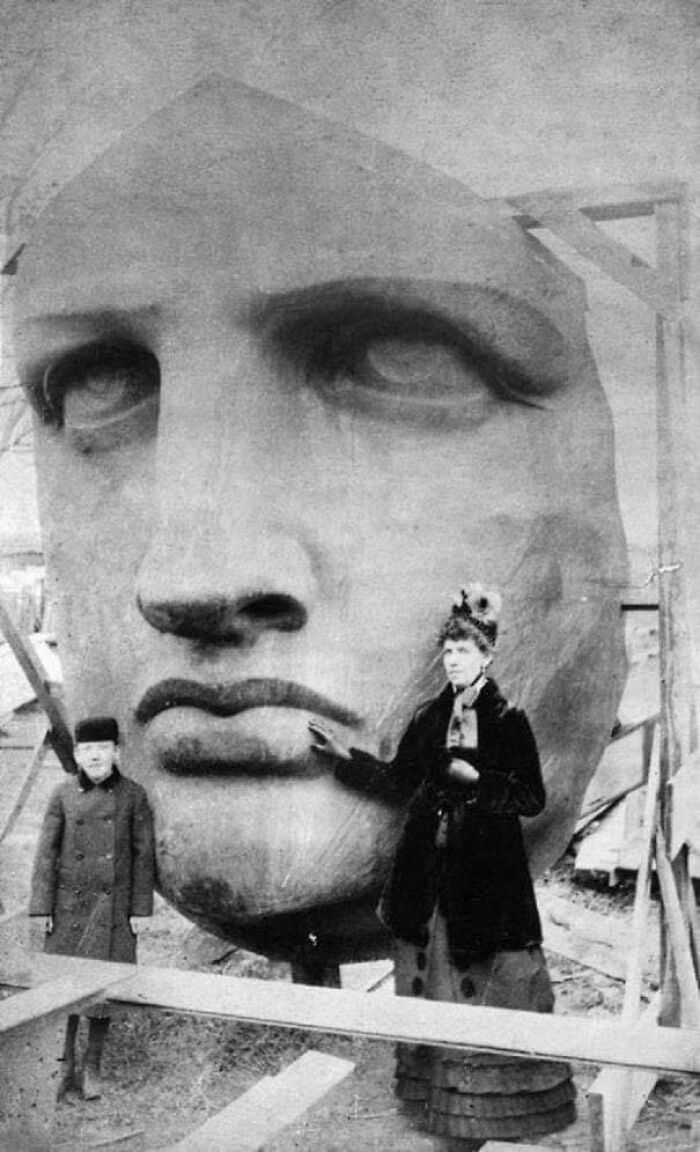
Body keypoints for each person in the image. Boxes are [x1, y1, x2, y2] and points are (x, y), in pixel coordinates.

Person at [11, 66, 627, 967]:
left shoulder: (489, 730)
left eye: (402, 356)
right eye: (101, 381)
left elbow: (492, 785)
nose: (188, 583)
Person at [310, 585, 575, 1145]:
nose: (453, 659)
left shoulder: (509, 718)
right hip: (428, 874)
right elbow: (400, 779)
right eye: (449, 651)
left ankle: (488, 1112)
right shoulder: (430, 716)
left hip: (486, 878)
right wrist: (343, 760)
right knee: (430, 981)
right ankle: (439, 1102)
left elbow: (531, 797)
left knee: (480, 977)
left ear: (487, 657)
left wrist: (478, 783)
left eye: (464, 651)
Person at [29, 717, 155, 1101]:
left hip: (113, 909)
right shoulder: (62, 794)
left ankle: (93, 1065)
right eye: (87, 750)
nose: (95, 756)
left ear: (116, 752)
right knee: (63, 986)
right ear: (78, 755)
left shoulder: (134, 796)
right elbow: (45, 854)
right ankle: (63, 1064)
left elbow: (143, 856)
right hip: (69, 906)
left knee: (103, 988)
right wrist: (41, 906)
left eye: (103, 748)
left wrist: (139, 910)